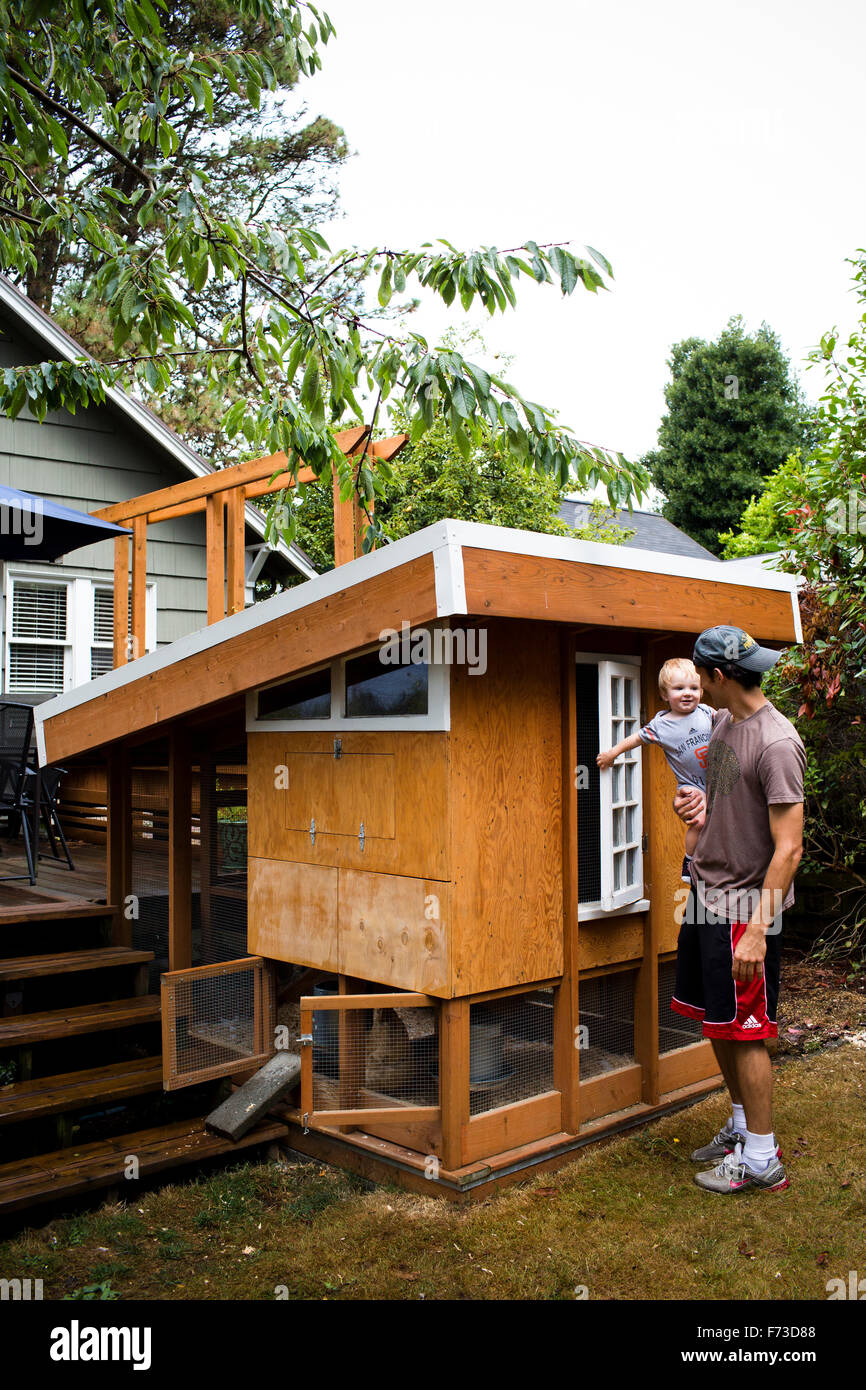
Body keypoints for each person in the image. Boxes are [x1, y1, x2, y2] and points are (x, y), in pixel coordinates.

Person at [671, 625, 805, 1194]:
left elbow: (790, 847)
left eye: (702, 676)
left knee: (748, 1031)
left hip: (745, 909)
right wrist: (699, 814)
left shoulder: (776, 742)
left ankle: (762, 1159)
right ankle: (743, 1125)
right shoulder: (724, 724)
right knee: (717, 1021)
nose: (698, 685)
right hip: (707, 892)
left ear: (720, 677)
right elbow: (727, 802)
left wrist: (754, 931)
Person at [596, 657, 713, 881]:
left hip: (715, 781)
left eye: (694, 688)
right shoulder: (661, 725)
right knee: (699, 822)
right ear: (664, 694)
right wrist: (612, 754)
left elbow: (730, 725)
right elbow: (634, 739)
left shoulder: (707, 712)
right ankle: (689, 861)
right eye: (679, 688)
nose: (687, 693)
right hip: (692, 785)